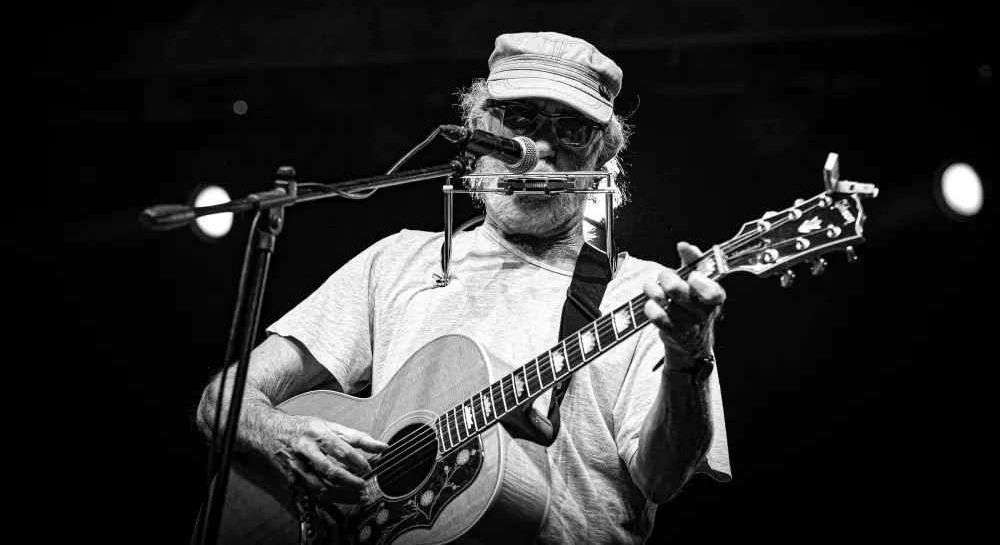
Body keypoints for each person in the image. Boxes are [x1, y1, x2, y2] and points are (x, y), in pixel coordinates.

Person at [196, 31, 731, 544]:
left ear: (601, 158)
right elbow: (222, 402)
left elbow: (662, 479)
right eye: (519, 118)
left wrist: (690, 355)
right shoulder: (399, 260)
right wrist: (279, 435)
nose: (541, 146)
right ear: (479, 130)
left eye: (572, 130)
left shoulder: (650, 295)